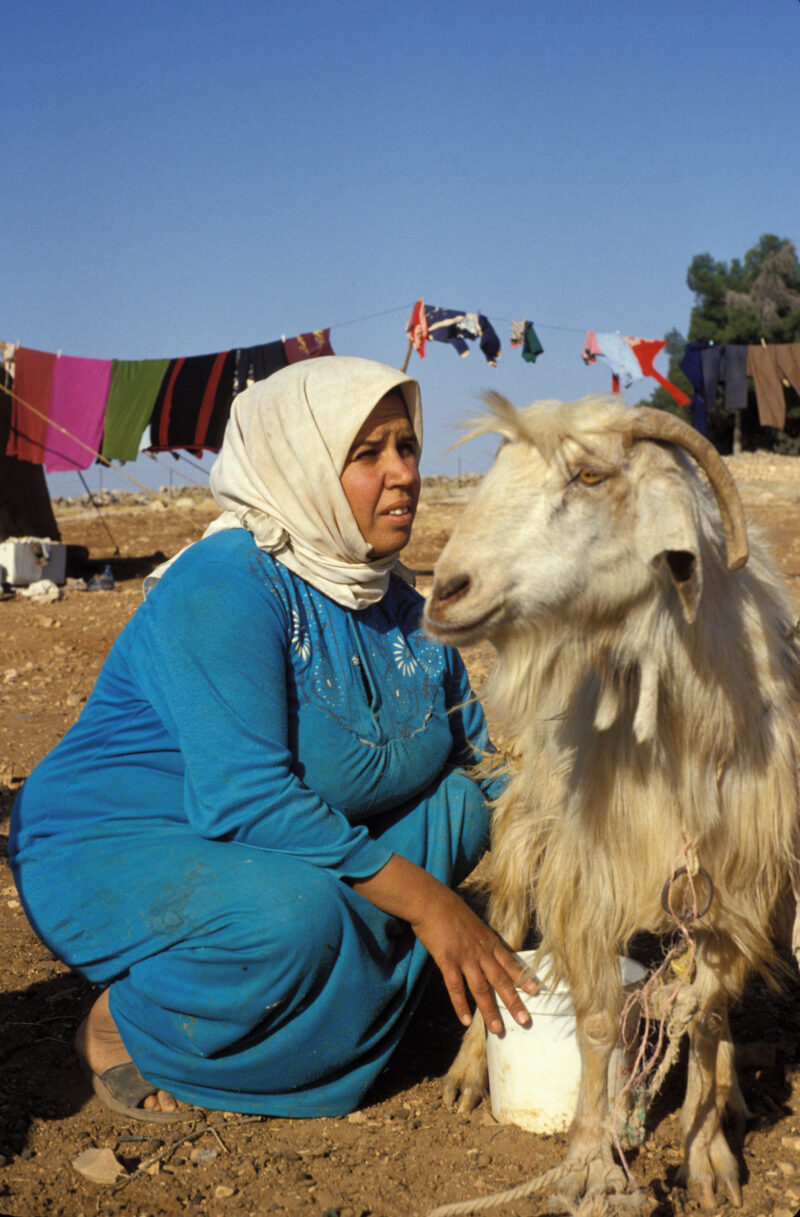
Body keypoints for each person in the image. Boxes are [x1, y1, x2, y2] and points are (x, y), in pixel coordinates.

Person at [10, 356, 535, 1123]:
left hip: (275, 851)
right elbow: (248, 800)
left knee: (461, 806)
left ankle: (341, 996)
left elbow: (483, 764)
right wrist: (430, 905)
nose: (403, 474)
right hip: (117, 844)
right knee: (298, 918)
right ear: (304, 465)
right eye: (368, 454)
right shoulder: (227, 583)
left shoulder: (398, 605)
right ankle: (130, 1026)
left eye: (407, 447)